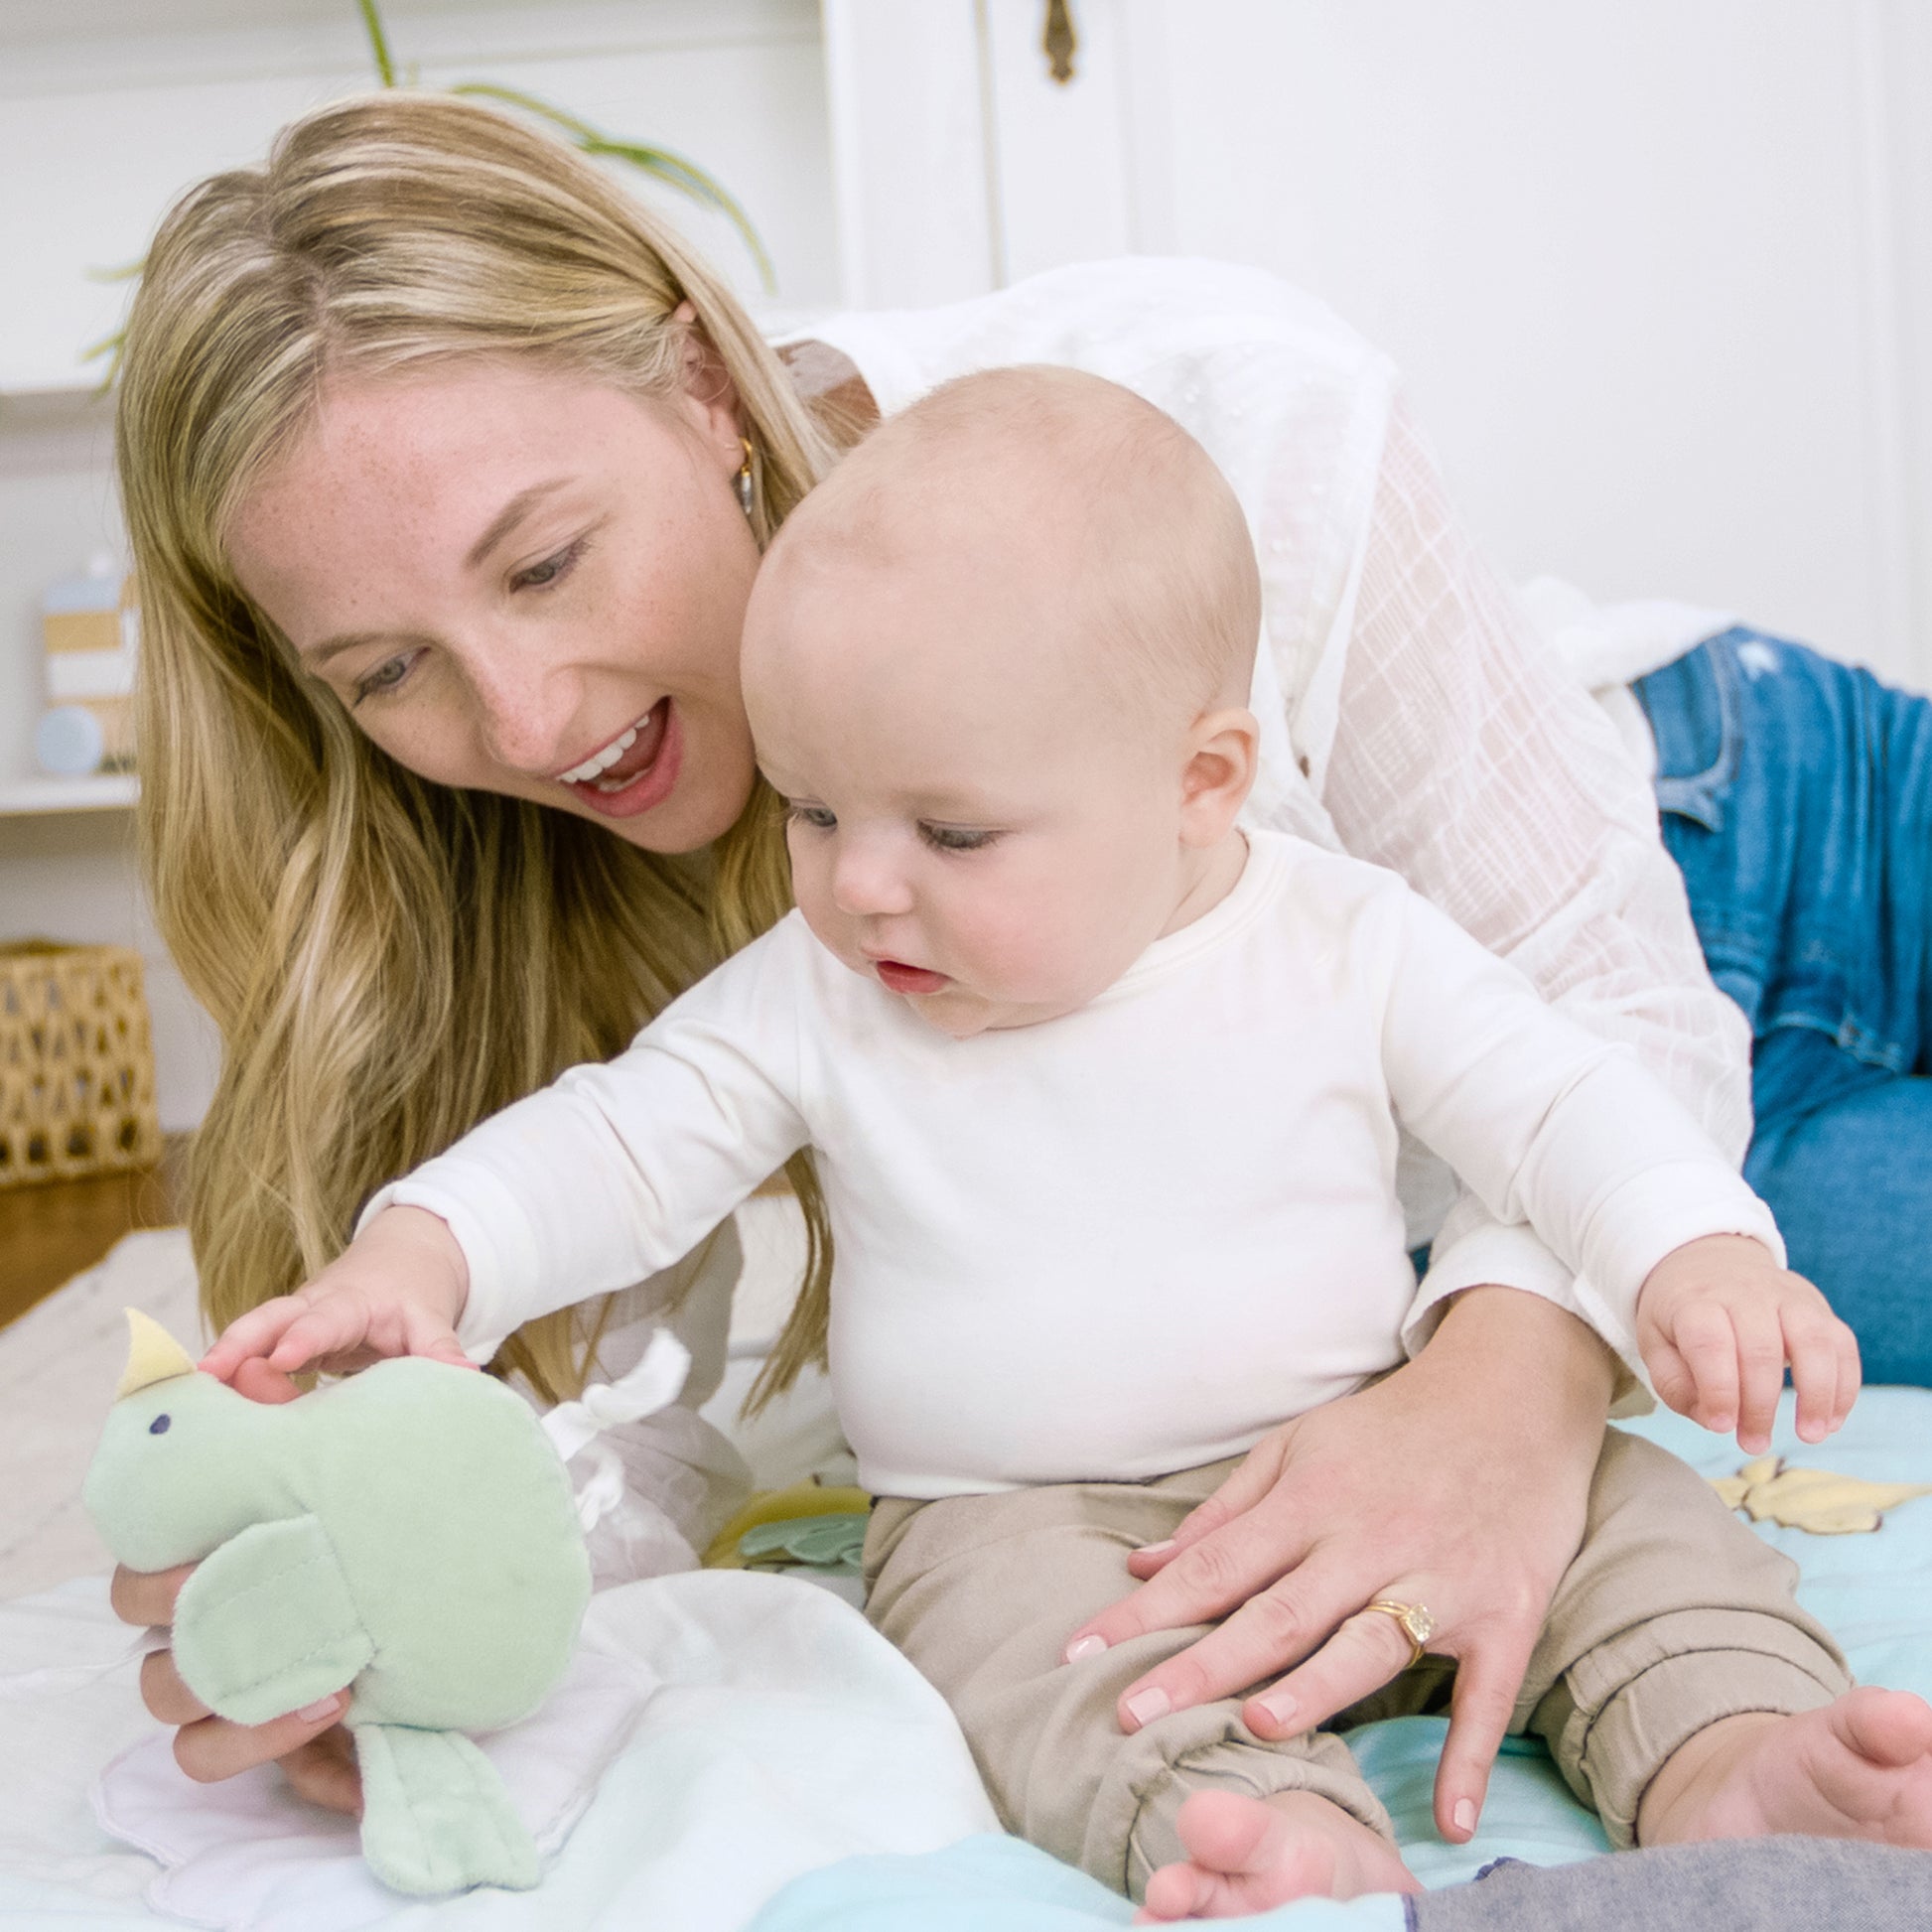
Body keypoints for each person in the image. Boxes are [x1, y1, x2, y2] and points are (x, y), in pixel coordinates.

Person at [107, 91, 1772, 1837]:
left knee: (1749, 1373)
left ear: (703, 385)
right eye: (385, 671)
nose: (523, 722)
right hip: (1433, 1181)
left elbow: (1605, 1029)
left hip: (1717, 844)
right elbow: (613, 1329)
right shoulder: (783, 950)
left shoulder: (1211, 421)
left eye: (545, 561)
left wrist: (1495, 1399)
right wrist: (398, 1592)